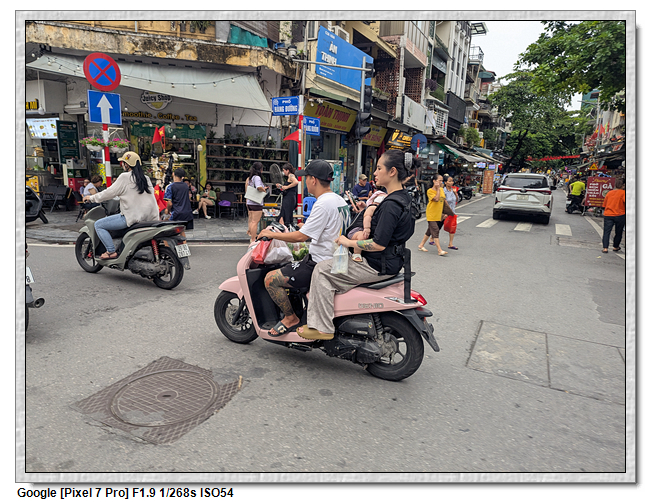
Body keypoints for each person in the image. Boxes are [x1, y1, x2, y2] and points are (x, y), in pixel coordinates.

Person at [295, 150, 417, 340]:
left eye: (379, 168)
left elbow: (378, 244)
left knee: (322, 270)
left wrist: (348, 242)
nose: (375, 173)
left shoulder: (391, 204)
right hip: (393, 260)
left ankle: (323, 328)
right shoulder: (404, 198)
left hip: (377, 263)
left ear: (392, 171)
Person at [256, 160, 351, 336]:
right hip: (335, 259)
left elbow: (301, 237)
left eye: (306, 177)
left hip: (319, 263)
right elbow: (327, 229)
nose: (305, 181)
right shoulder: (339, 200)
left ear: (313, 180)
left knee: (270, 279)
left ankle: (290, 318)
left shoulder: (322, 203)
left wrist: (272, 234)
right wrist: (304, 227)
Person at [82, 151, 159, 260]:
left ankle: (110, 251)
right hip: (150, 218)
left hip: (132, 217)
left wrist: (91, 198)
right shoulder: (145, 178)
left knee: (98, 225)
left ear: (126, 164)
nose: (122, 165)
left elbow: (108, 193)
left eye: (122, 163)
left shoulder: (124, 177)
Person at [346, 190, 387, 262]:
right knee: (362, 236)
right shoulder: (373, 207)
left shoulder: (375, 208)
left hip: (361, 229)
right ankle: (357, 253)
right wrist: (367, 228)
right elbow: (367, 216)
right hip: (356, 230)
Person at [417, 173, 447, 256]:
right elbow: (436, 199)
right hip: (431, 213)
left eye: (442, 181)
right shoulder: (430, 191)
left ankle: (421, 245)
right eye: (439, 180)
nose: (441, 182)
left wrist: (445, 212)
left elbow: (443, 200)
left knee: (430, 230)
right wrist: (438, 189)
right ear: (434, 181)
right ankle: (439, 250)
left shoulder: (442, 189)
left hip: (438, 213)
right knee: (435, 230)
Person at [164, 167, 194, 242]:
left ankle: (167, 247)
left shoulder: (170, 187)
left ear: (173, 174)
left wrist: (167, 210)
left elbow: (169, 203)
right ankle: (184, 245)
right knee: (181, 230)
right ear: (182, 177)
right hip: (187, 213)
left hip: (176, 213)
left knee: (164, 232)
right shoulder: (186, 186)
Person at [245, 162, 269, 243]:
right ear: (260, 169)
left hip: (250, 201)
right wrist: (264, 189)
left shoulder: (251, 178)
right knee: (255, 222)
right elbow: (258, 187)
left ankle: (252, 237)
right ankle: (253, 239)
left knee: (252, 221)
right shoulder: (257, 177)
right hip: (256, 203)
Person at [602, 178, 625, 253]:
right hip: (620, 215)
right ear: (623, 185)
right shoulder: (624, 193)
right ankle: (615, 246)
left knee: (606, 232)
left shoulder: (609, 193)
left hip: (608, 214)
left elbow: (604, 205)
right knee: (619, 232)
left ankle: (605, 248)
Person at [275, 163, 298, 227]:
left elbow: (296, 182)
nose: (283, 172)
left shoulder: (291, 175)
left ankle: (286, 227)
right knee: (284, 214)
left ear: (287, 170)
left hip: (289, 199)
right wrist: (281, 186)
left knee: (286, 214)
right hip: (289, 197)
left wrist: (287, 187)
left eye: (284, 170)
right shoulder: (290, 176)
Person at [442, 174, 459, 250]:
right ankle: (432, 238)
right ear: (445, 182)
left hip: (452, 212)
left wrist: (455, 193)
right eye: (449, 181)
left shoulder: (453, 190)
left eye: (452, 181)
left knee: (452, 227)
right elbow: (443, 202)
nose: (451, 182)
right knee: (437, 227)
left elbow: (457, 200)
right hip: (444, 212)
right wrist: (445, 213)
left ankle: (450, 243)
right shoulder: (443, 191)